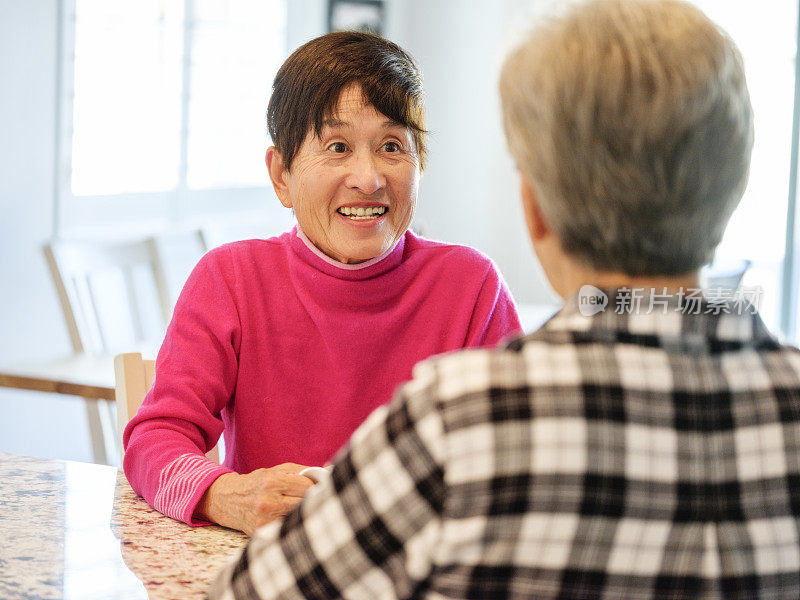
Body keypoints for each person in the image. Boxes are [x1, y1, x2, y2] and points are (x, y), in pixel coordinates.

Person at [209, 1, 800, 598]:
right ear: (735, 186)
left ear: (535, 208)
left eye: (392, 146)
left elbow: (253, 592)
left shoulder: (459, 418)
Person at [123, 31, 522, 536]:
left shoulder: (472, 287)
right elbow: (154, 438)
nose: (369, 178)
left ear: (420, 163)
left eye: (392, 146)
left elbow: (518, 457)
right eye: (337, 146)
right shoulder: (231, 280)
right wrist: (224, 495)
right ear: (282, 176)